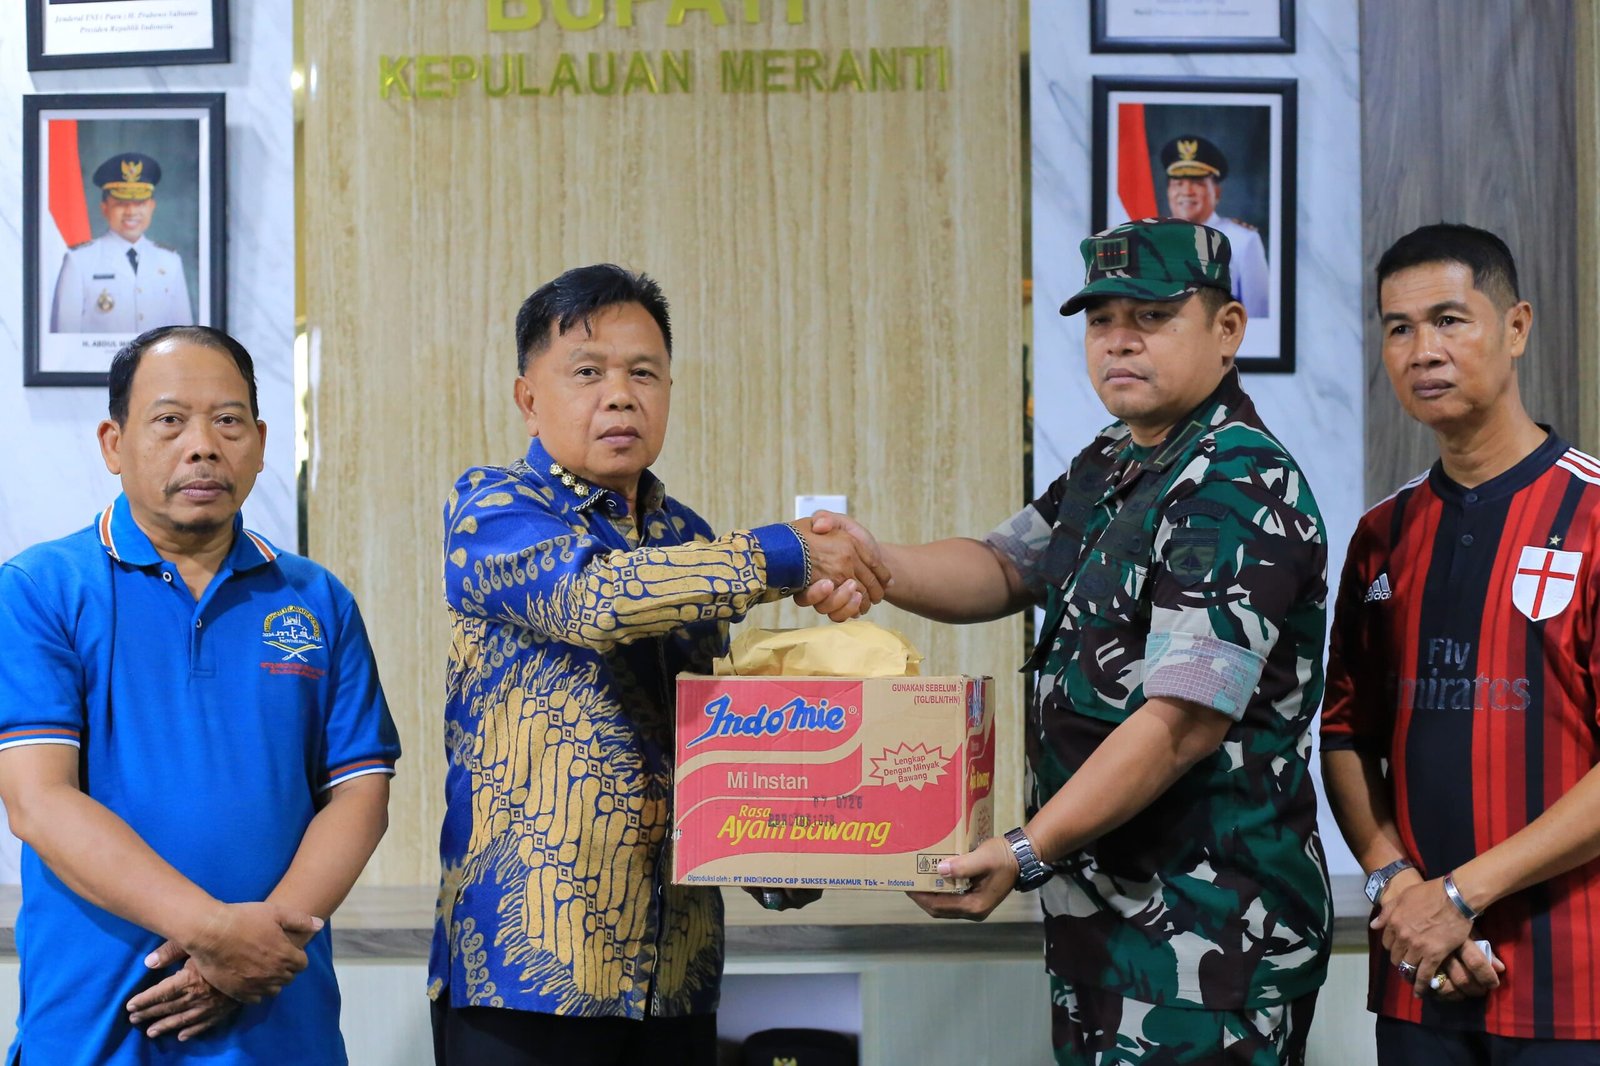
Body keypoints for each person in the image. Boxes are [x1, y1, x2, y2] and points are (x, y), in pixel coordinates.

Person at [800, 218, 1332, 1064]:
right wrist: (874, 562)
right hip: (1104, 924)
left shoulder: (1236, 482)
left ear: (1228, 328)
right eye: (1101, 320)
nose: (1119, 340)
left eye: (1151, 317)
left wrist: (1024, 849)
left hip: (1209, 939)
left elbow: (1183, 724)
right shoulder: (1114, 461)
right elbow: (1002, 566)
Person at [427, 263, 888, 1066]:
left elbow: (712, 733)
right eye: (588, 372)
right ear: (528, 399)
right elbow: (597, 600)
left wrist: (780, 845)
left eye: (643, 373)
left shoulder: (690, 539)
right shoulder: (493, 508)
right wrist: (787, 554)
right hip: (526, 973)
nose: (620, 395)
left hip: (678, 973)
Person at [0, 325, 399, 1064]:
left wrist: (256, 951)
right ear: (114, 444)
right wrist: (216, 935)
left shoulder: (317, 599)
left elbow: (360, 794)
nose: (203, 446)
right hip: (97, 1023)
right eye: (169, 420)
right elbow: (38, 800)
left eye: (228, 421)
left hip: (279, 1020)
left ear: (261, 442)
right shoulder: (41, 589)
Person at [1322, 223, 1600, 1062]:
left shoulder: (1591, 516)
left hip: (1575, 989)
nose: (1423, 351)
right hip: (1420, 979)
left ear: (1515, 327)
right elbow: (1345, 736)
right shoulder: (1381, 536)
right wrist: (1398, 886)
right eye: (1399, 328)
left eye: (1449, 320)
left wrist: (1460, 896)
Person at [50, 152, 194, 334]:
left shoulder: (170, 261)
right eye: (121, 203)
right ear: (104, 208)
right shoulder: (79, 261)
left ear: (152, 206)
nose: (131, 212)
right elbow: (64, 338)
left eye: (140, 203)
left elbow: (184, 337)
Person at [1161, 135, 1270, 319]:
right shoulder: (1154, 240)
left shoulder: (1243, 241)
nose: (1186, 191)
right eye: (1178, 183)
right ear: (1168, 192)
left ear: (1217, 192)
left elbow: (1258, 318)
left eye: (1197, 183)